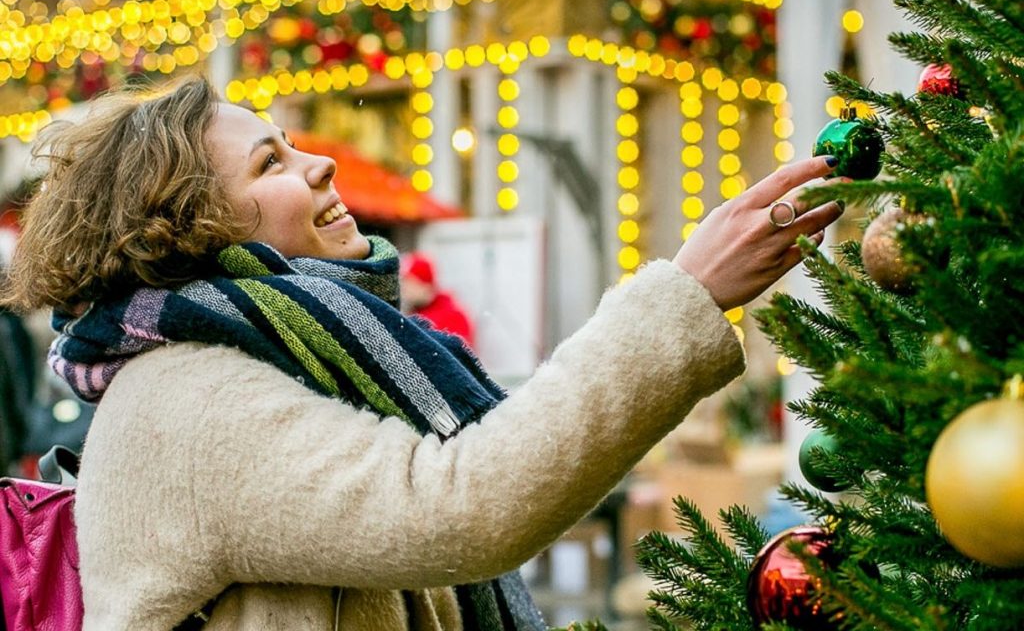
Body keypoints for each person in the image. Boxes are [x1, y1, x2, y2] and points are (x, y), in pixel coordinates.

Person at [0, 77, 843, 631]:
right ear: (189, 228)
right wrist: (685, 295)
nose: (321, 162)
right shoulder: (179, 398)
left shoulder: (299, 356)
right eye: (272, 163)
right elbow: (464, 503)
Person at [400, 252, 475, 349]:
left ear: (425, 284)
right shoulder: (415, 312)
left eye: (409, 282)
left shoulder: (452, 317)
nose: (403, 287)